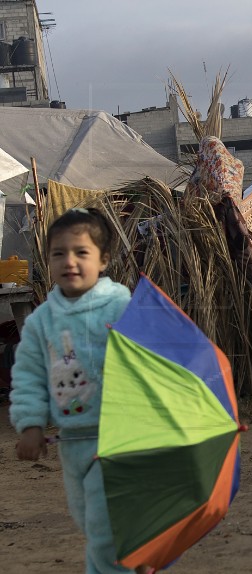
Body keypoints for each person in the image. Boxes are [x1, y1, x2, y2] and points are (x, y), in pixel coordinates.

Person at [9, 208, 153, 572]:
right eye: (59, 253)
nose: (69, 261)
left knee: (106, 533)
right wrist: (30, 424)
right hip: (73, 444)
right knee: (92, 524)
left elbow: (152, 363)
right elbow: (28, 375)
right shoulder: (42, 320)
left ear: (103, 259)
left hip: (121, 441)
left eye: (81, 252)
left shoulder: (123, 307)